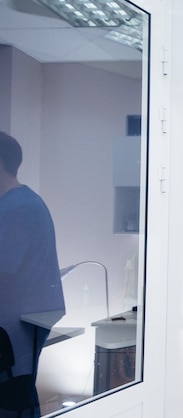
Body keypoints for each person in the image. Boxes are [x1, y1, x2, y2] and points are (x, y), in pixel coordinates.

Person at [0, 132, 65, 417]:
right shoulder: (27, 201)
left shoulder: (14, 209)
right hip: (24, 322)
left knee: (13, 395)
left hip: (12, 327)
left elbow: (3, 272)